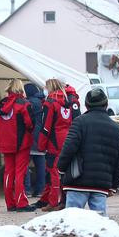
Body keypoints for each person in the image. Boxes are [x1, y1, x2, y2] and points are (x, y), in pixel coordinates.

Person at [58, 88, 119, 216]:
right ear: (106, 104)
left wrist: (61, 168)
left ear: (87, 105)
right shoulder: (116, 129)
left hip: (77, 181)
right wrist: (114, 185)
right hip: (101, 183)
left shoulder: (79, 122)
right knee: (100, 223)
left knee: (73, 221)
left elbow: (69, 148)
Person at [0, 79, 35, 212]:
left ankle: (10, 203)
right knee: (20, 172)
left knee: (8, 173)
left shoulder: (0, 104)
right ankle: (21, 203)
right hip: (21, 143)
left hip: (5, 143)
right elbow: (30, 123)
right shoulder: (24, 104)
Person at [35, 78, 73, 212]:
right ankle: (64, 201)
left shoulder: (50, 102)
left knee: (53, 173)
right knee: (64, 172)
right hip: (68, 139)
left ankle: (52, 202)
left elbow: (46, 126)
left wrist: (41, 144)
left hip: (54, 141)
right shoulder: (68, 100)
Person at [24, 82, 47, 198]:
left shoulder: (28, 103)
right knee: (41, 166)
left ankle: (27, 190)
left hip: (30, 137)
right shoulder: (43, 102)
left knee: (25, 165)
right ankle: (40, 190)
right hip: (41, 137)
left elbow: (27, 121)